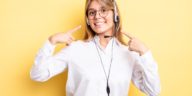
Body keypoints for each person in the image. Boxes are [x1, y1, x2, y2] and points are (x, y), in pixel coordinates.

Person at [30, 0, 161, 96]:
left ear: (115, 14)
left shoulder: (128, 53)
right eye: (92, 12)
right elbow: (37, 74)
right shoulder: (75, 49)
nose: (97, 16)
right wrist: (51, 41)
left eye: (103, 10)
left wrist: (145, 53)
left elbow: (153, 91)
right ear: (87, 19)